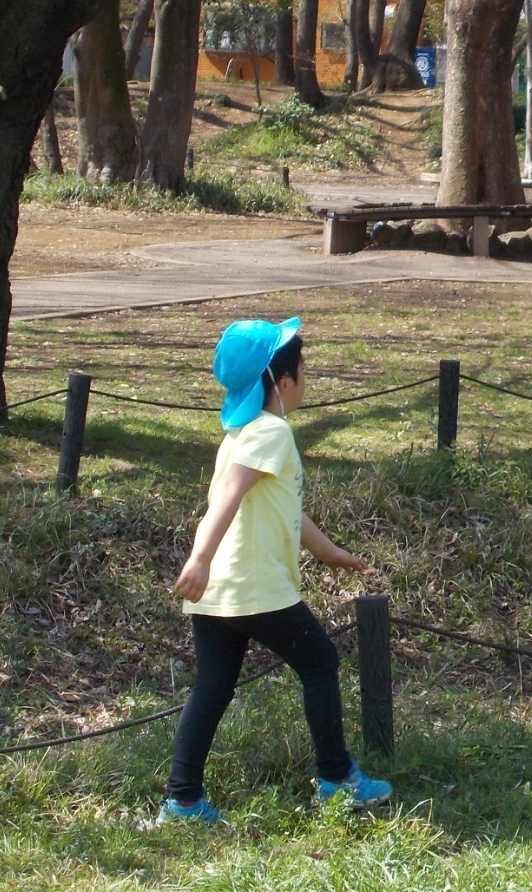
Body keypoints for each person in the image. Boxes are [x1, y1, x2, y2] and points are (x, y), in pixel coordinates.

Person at [161, 317, 390, 824]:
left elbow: (286, 504)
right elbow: (229, 497)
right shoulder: (273, 431)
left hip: (219, 589)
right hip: (254, 586)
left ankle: (182, 801)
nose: (306, 377)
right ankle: (337, 780)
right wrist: (196, 558)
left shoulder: (243, 432)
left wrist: (329, 552)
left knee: (213, 686)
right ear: (281, 381)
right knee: (320, 663)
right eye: (302, 369)